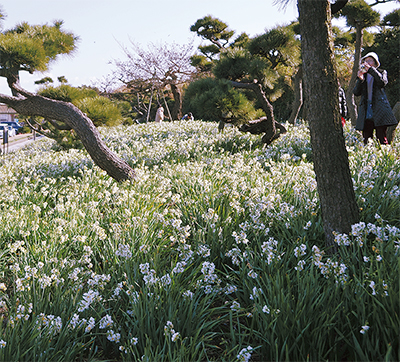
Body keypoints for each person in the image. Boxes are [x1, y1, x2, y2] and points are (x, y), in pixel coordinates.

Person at [353, 52, 398, 144]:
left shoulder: (382, 72)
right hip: (366, 110)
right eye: (365, 61)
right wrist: (360, 79)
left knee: (381, 137)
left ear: (375, 62)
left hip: (379, 109)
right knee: (366, 138)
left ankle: (385, 155)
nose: (367, 62)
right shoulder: (363, 75)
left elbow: (382, 82)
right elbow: (356, 92)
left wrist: (371, 70)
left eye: (370, 60)